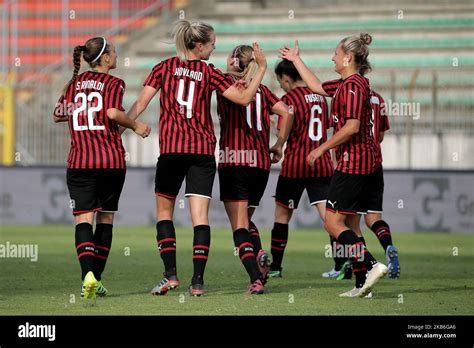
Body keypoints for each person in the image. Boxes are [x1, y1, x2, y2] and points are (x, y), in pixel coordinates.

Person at [126, 20, 267, 296]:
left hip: (171, 150)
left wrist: (122, 128)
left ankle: (170, 275)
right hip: (202, 152)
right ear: (200, 46)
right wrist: (261, 68)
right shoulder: (210, 72)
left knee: (164, 213)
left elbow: (140, 104)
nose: (214, 49)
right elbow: (245, 98)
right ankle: (198, 283)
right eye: (212, 44)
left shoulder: (163, 67)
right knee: (200, 218)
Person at [280, 33, 388, 298]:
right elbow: (316, 86)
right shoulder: (350, 83)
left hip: (354, 162)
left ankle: (372, 264)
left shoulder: (351, 86)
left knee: (332, 224)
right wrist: (296, 59)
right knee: (351, 224)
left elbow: (352, 126)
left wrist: (321, 148)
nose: (333, 57)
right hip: (369, 162)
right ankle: (363, 284)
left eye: (337, 54)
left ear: (348, 58)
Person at [53, 37, 151, 302]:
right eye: (114, 53)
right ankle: (95, 277)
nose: (117, 57)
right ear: (105, 58)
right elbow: (111, 113)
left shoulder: (73, 84)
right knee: (105, 219)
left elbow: (58, 113)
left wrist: (81, 112)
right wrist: (135, 125)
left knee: (83, 219)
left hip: (79, 162)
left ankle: (88, 277)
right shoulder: (114, 83)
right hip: (109, 162)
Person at [217, 45, 291, 294]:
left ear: (235, 61)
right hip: (260, 164)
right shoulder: (264, 91)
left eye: (229, 55)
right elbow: (287, 113)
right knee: (246, 220)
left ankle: (255, 279)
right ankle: (259, 254)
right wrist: (279, 145)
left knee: (238, 226)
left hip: (233, 160)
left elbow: (241, 98)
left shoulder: (225, 82)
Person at [268, 59, 333, 278]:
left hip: (295, 166)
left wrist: (278, 145)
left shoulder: (288, 100)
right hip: (322, 165)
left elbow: (282, 133)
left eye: (280, 81)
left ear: (286, 78)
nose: (281, 85)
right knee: (331, 219)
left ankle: (275, 267)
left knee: (282, 216)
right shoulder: (322, 99)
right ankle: (343, 264)